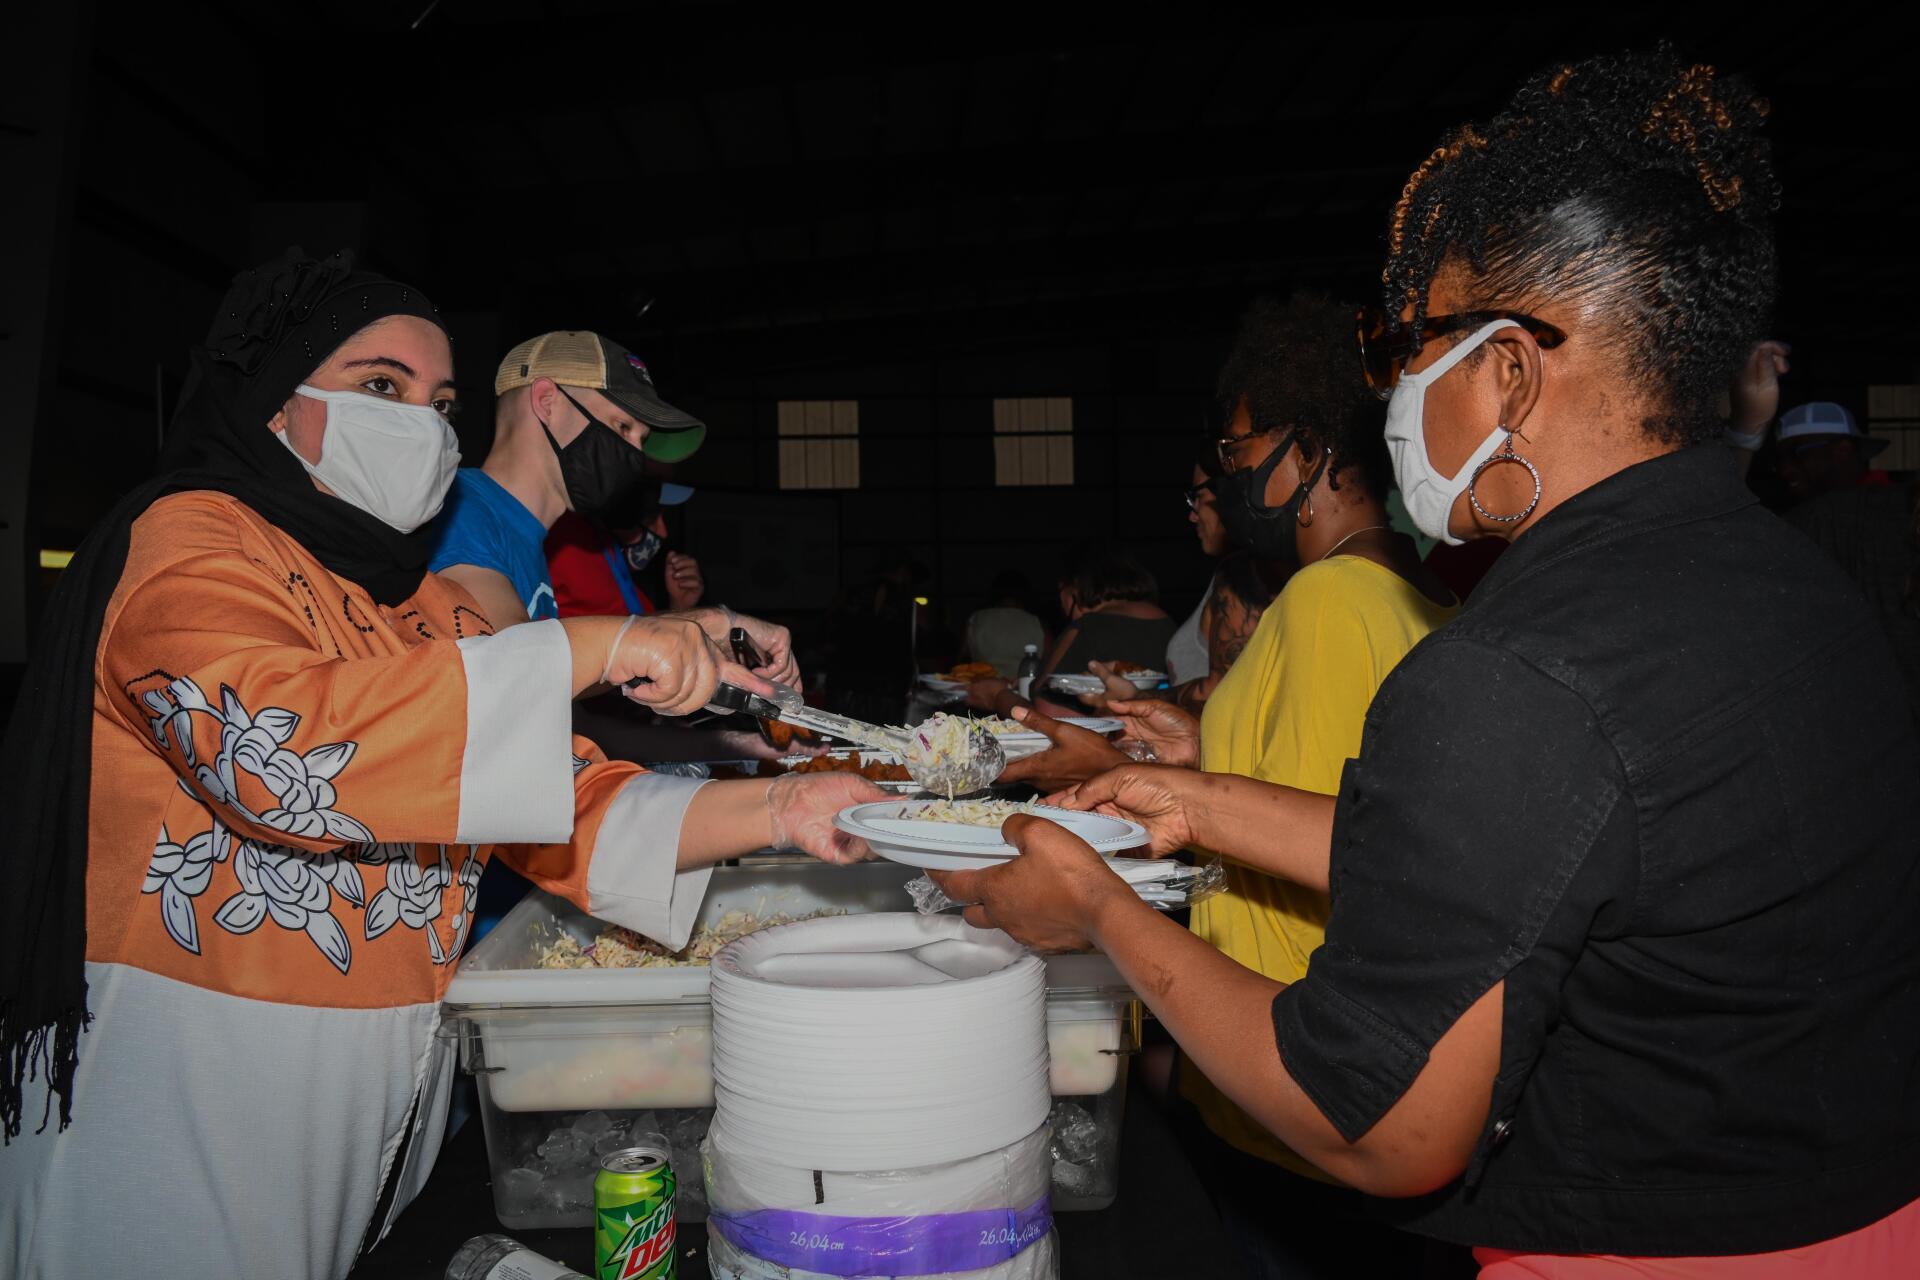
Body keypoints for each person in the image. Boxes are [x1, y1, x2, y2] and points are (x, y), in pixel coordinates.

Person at [937, 46, 1920, 1277]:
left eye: (1415, 342)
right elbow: (1536, 859)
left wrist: (1098, 907)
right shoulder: (1780, 580)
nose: (1396, 386)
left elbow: (1378, 1120)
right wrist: (1197, 800)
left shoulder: (1522, 663)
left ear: (1508, 369)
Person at [0, 252, 882, 1280]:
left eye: (441, 398)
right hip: (191, 1083)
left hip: (382, 1092)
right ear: (275, 404)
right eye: (382, 386)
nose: (422, 421)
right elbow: (278, 748)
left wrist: (790, 804)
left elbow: (574, 799)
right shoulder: (192, 541)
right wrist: (596, 647)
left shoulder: (421, 604)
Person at [546, 478, 703, 618]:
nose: (663, 532)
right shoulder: (567, 546)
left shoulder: (628, 588)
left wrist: (680, 607)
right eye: (651, 518)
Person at [961, 570, 1046, 679]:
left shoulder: (976, 619)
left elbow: (962, 660)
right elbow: (1050, 662)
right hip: (1023, 691)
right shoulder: (1037, 623)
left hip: (983, 690)